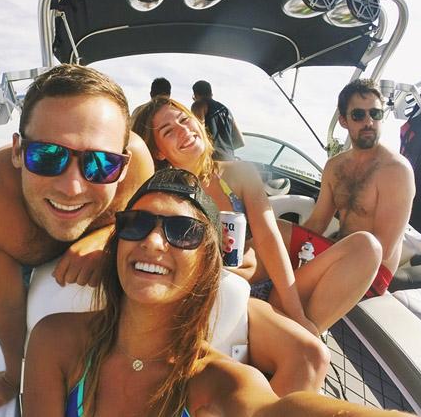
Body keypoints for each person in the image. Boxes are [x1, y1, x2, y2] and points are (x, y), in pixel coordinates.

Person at [23, 168, 413, 417]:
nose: (155, 241)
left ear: (207, 266)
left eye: (183, 231)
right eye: (136, 223)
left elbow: (279, 411)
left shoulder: (222, 383)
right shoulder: (55, 340)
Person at [133, 96, 382, 394]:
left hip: (267, 291)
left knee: (367, 247)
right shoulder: (166, 192)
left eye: (184, 120)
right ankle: (285, 352)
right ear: (159, 151)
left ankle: (293, 334)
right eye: (167, 131)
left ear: (198, 122)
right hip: (231, 297)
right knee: (310, 353)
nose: (182, 130)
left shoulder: (238, 173)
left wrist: (298, 315)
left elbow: (267, 236)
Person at [0, 64, 154, 414]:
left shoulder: (139, 169)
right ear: (17, 151)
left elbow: (147, 222)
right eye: (47, 156)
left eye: (100, 164)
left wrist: (110, 234)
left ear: (122, 166)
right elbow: (5, 299)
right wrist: (14, 376)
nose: (72, 187)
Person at [285, 78, 416, 297]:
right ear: (344, 121)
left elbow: (382, 250)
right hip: (336, 251)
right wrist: (285, 245)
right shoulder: (335, 167)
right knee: (279, 230)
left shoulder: (396, 170)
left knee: (286, 286)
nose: (369, 122)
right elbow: (317, 223)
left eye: (375, 114)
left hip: (372, 271)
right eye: (358, 115)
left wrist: (317, 260)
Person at [190, 80, 244, 160]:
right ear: (211, 94)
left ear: (196, 95)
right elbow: (240, 141)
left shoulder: (199, 104)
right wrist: (224, 151)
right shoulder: (226, 110)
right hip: (230, 160)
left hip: (212, 162)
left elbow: (198, 133)